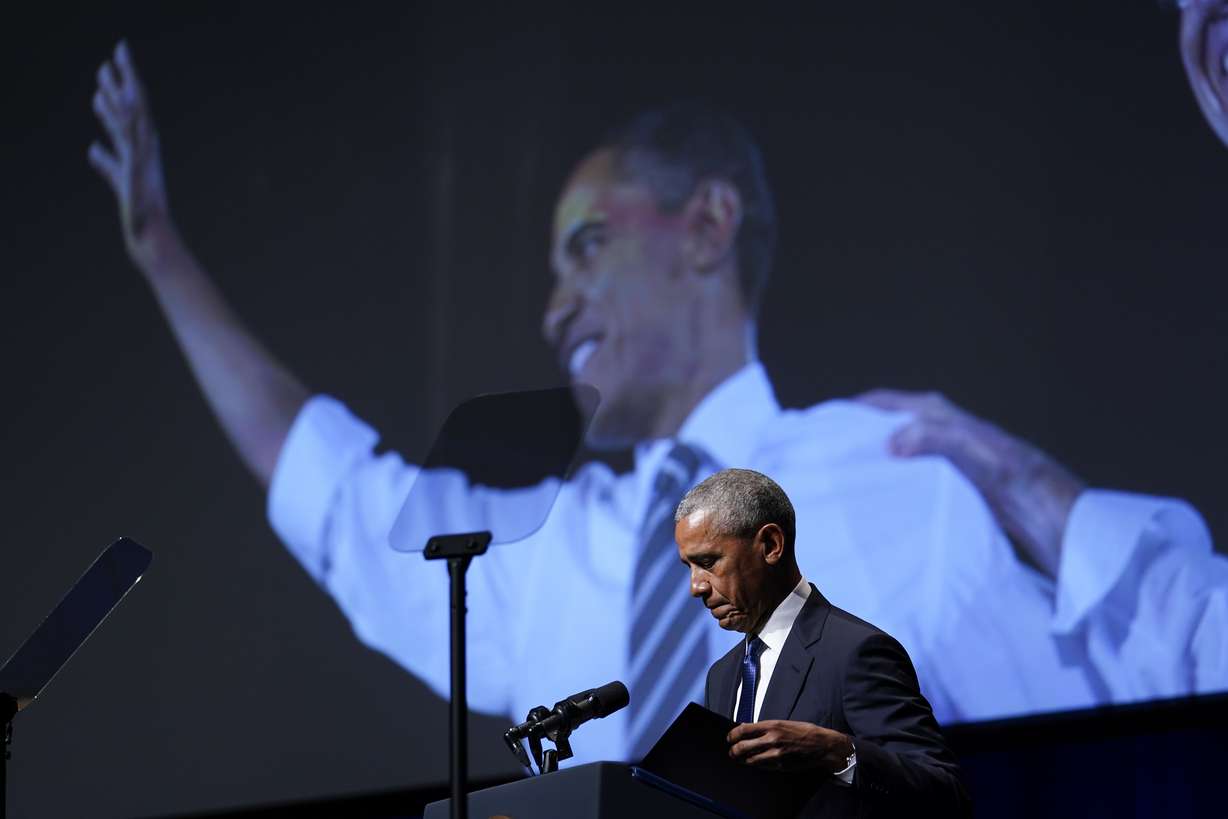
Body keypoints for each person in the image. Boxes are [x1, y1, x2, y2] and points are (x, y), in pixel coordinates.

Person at [88, 41, 1226, 766]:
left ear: (707, 226)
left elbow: (1089, 741)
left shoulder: (895, 472)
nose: (553, 305)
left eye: (586, 246)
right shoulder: (548, 552)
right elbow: (333, 494)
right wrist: (162, 259)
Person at [678, 468, 970, 817]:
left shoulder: (857, 651)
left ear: (770, 545)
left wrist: (837, 752)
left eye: (708, 562)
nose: (696, 586)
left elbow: (944, 792)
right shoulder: (722, 675)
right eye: (689, 567)